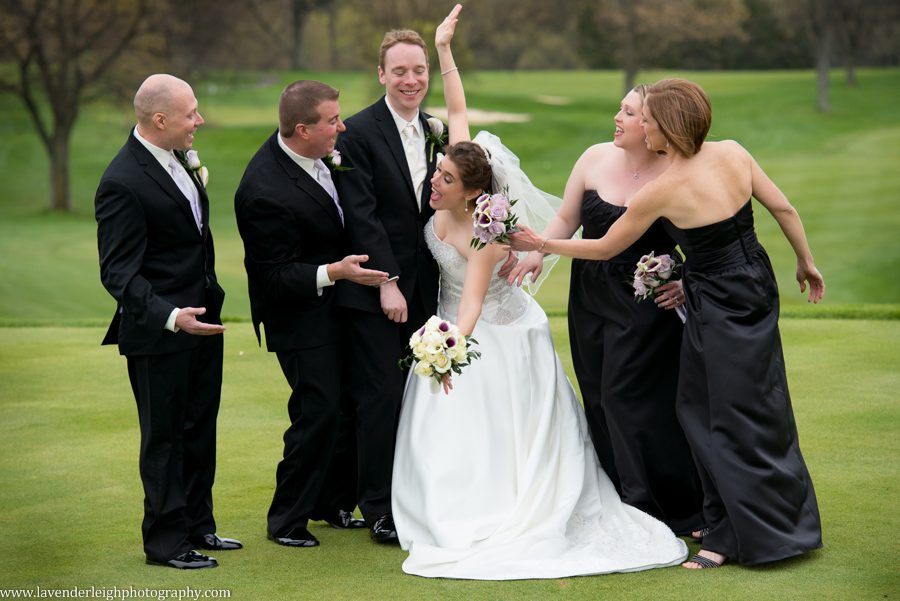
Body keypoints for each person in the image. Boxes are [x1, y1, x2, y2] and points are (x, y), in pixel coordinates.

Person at [390, 5, 688, 580]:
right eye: (439, 174)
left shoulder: (483, 232)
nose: (437, 179)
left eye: (446, 179)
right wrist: (444, 49)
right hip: (462, 321)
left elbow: (473, 303)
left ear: (474, 191)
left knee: (506, 436)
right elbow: (456, 112)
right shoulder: (459, 167)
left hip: (495, 331)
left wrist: (446, 348)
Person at [510, 77, 824, 569]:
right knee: (761, 404)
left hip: (715, 300)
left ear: (668, 127)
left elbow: (606, 248)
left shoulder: (664, 189)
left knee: (707, 415)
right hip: (756, 287)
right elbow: (783, 207)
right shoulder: (734, 153)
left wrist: (542, 245)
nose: (644, 129)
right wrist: (805, 262)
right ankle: (781, 524)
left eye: (648, 120)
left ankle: (727, 536)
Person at [507, 85, 704, 536]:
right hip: (590, 297)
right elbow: (566, 218)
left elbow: (707, 238)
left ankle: (650, 505)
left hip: (644, 303)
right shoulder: (594, 157)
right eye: (621, 108)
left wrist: (684, 281)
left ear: (653, 125)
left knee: (627, 397)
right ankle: (614, 494)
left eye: (630, 112)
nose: (618, 117)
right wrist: (539, 253)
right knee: (597, 393)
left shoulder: (676, 171)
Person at [234, 81, 389, 548]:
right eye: (332, 121)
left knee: (345, 408)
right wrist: (334, 272)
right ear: (302, 129)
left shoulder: (323, 155)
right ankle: (286, 518)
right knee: (317, 411)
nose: (342, 127)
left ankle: (332, 502)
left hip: (337, 307)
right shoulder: (263, 190)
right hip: (298, 318)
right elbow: (273, 278)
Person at [95, 74, 241, 569]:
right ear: (160, 120)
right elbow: (117, 272)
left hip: (205, 321)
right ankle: (165, 542)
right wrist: (171, 316)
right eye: (190, 113)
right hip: (160, 333)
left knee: (200, 428)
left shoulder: (179, 159)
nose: (198, 120)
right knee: (165, 438)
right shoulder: (121, 181)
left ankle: (200, 526)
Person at [334, 24, 441, 544]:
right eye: (399, 70)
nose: (410, 79)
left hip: (432, 286)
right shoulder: (355, 133)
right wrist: (388, 282)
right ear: (381, 74)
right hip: (379, 290)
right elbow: (362, 215)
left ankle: (420, 496)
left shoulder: (435, 129)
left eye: (418, 70)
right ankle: (377, 506)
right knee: (380, 396)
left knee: (425, 394)